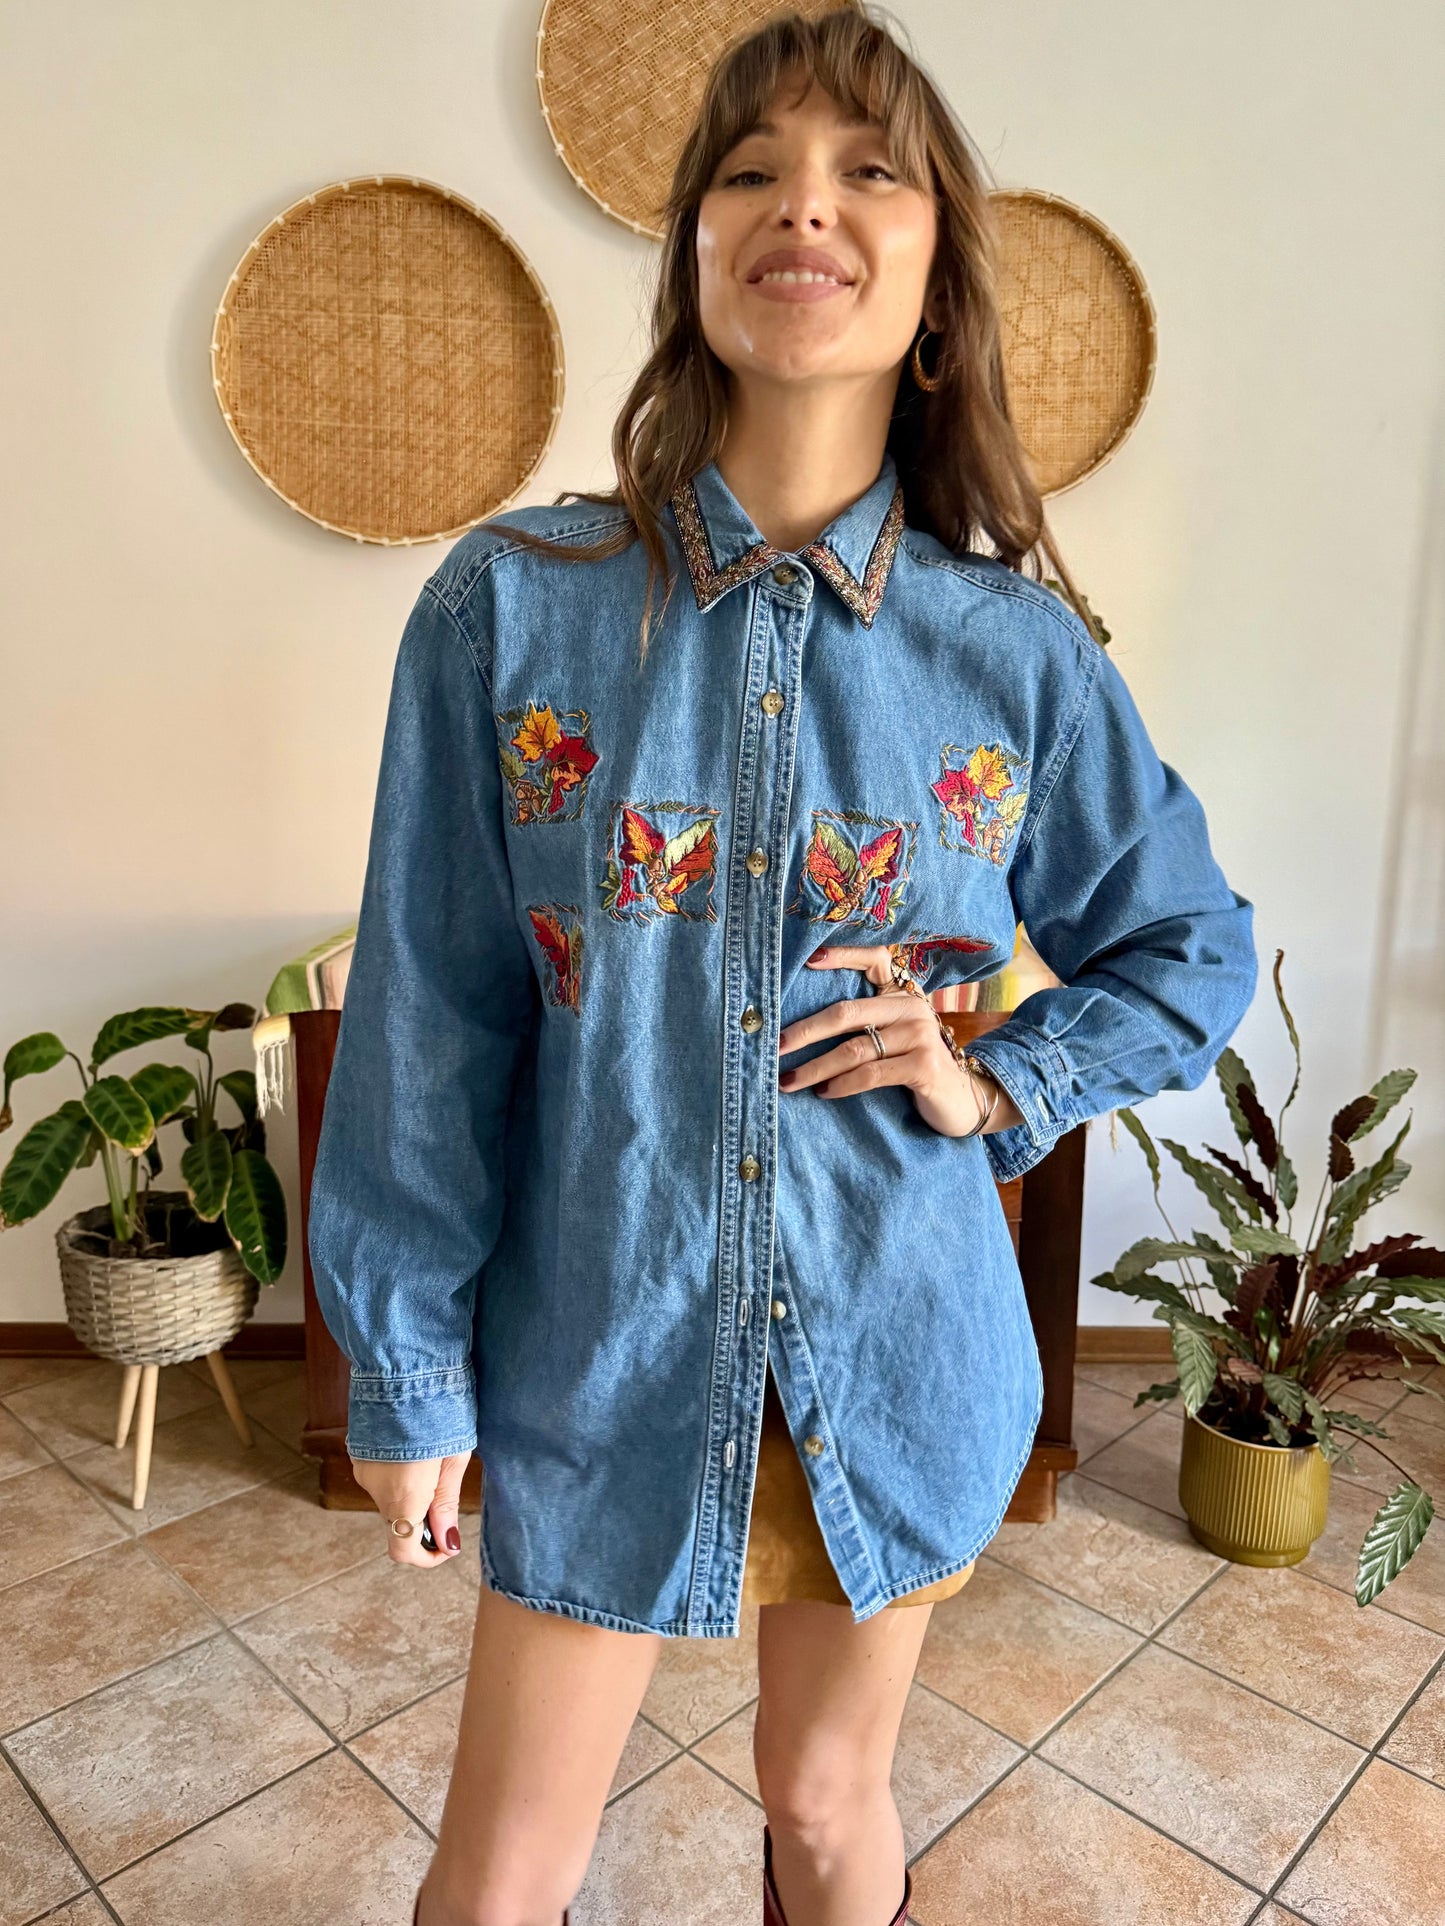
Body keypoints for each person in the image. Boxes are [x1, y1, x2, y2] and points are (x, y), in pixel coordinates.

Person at [305, 10, 1258, 1924]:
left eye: (862, 170)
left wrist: (1000, 1076)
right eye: (746, 171)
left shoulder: (1019, 657)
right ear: (689, 261)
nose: (797, 204)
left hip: (897, 1349)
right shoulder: (514, 610)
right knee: (499, 1871)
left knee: (824, 1811)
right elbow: (431, 1012)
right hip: (602, 1346)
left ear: (932, 291)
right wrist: (405, 1367)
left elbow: (1189, 944)